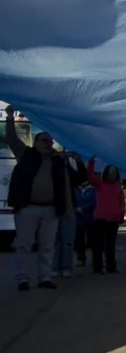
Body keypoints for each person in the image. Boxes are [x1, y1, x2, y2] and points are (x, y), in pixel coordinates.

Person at [5, 105, 71, 291]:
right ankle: (22, 279)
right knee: (24, 245)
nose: (48, 144)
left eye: (50, 141)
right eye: (44, 140)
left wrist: (67, 206)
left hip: (50, 209)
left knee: (47, 245)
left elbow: (65, 185)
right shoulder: (26, 154)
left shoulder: (57, 161)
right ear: (36, 142)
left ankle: (45, 277)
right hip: (28, 208)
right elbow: (11, 138)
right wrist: (10, 116)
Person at [87, 158, 125, 275]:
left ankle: (111, 267)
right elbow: (91, 177)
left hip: (113, 220)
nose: (112, 174)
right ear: (106, 173)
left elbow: (122, 203)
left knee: (110, 245)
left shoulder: (118, 187)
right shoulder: (100, 184)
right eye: (110, 172)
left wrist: (120, 215)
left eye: (114, 172)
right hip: (100, 218)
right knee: (98, 245)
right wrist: (91, 163)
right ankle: (97, 268)